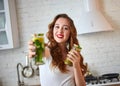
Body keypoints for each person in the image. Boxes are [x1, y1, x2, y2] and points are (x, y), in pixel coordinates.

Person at [28, 13, 87, 86]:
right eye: (57, 27)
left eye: (65, 28)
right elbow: (36, 52)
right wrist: (33, 50)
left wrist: (76, 65)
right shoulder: (46, 51)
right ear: (52, 29)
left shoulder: (73, 55)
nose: (60, 31)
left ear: (70, 33)